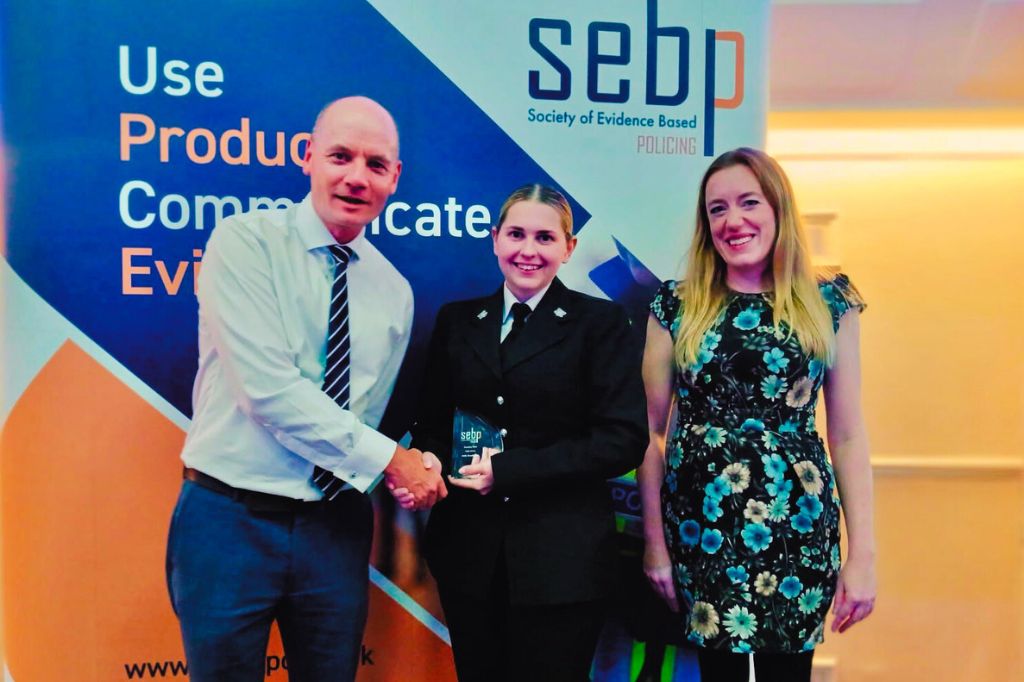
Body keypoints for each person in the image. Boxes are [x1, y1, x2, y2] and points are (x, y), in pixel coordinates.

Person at [165, 96, 447, 682]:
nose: (355, 176)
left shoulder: (394, 292)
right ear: (307, 157)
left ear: (394, 179)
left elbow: (362, 419)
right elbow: (267, 391)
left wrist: (412, 466)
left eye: (375, 164)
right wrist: (393, 461)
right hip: (229, 520)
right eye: (340, 156)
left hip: (334, 528)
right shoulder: (244, 243)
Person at [638, 148, 877, 681]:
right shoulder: (676, 305)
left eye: (749, 202)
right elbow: (648, 434)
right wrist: (655, 546)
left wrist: (864, 554)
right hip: (703, 530)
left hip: (798, 528)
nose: (733, 220)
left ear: (778, 209)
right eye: (717, 208)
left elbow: (848, 434)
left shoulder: (829, 301)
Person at [404, 184, 647, 681]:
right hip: (470, 555)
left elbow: (622, 441)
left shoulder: (599, 323)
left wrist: (508, 471)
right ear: (495, 239)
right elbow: (431, 422)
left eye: (544, 237)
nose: (528, 250)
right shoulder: (458, 321)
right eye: (515, 234)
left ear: (568, 247)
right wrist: (427, 462)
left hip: (563, 561)